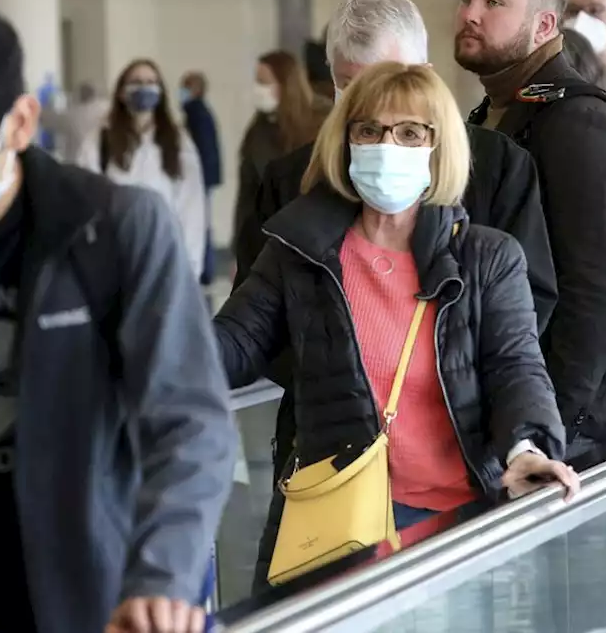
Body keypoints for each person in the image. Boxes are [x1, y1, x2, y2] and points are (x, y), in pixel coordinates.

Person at [0, 0, 235, 633]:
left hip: (92, 597)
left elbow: (190, 422)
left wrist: (162, 577)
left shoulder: (113, 230)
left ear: (21, 122)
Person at [215, 61, 577, 587]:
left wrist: (526, 448)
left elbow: (515, 365)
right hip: (337, 533)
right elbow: (233, 344)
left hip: (455, 537)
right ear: (345, 141)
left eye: (410, 132)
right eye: (369, 130)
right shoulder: (301, 251)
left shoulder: (486, 257)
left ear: (439, 146)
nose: (387, 144)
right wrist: (147, 336)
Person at [233, 0, 556, 331]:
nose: (371, 103)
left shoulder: (497, 166)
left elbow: (529, 299)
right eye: (351, 86)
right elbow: (256, 314)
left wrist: (454, 369)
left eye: (388, 81)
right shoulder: (291, 178)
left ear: (425, 75)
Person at [458, 0, 606, 448]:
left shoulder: (577, 123)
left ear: (545, 24)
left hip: (572, 439)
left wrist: (543, 432)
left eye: (493, 1)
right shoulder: (492, 114)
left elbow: (596, 294)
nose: (471, 13)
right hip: (509, 417)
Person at [77, 59, 206, 278]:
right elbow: (84, 200)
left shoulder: (178, 142)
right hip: (113, 261)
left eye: (150, 82)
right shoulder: (99, 141)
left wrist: (191, 268)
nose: (144, 88)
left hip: (164, 260)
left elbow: (192, 207)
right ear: (121, 92)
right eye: (136, 82)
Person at [233, 50, 328, 261]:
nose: (258, 89)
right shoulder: (258, 130)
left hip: (311, 242)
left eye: (264, 82)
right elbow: (247, 197)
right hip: (265, 243)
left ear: (286, 85)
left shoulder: (320, 124)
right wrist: (238, 252)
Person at [179, 71, 223, 285]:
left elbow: (201, 149)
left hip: (200, 177)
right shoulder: (200, 111)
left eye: (185, 87)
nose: (181, 92)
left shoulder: (196, 113)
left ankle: (206, 271)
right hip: (205, 175)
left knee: (200, 222)